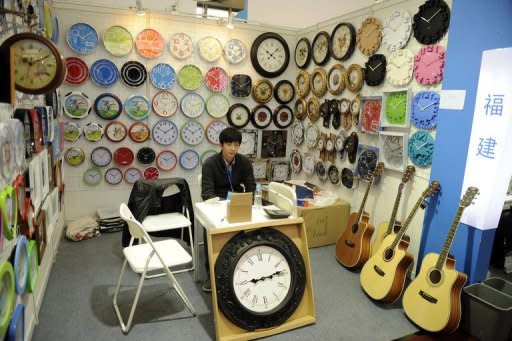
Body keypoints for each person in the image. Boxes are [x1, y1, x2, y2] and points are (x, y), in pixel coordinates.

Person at [200, 127, 256, 292]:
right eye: (229, 144)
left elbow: (251, 186)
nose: (233, 148)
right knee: (210, 232)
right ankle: (211, 274)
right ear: (221, 145)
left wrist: (248, 201)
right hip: (218, 203)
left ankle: (241, 269)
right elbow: (206, 193)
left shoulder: (244, 162)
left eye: (236, 145)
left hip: (239, 203)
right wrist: (223, 204)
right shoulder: (210, 163)